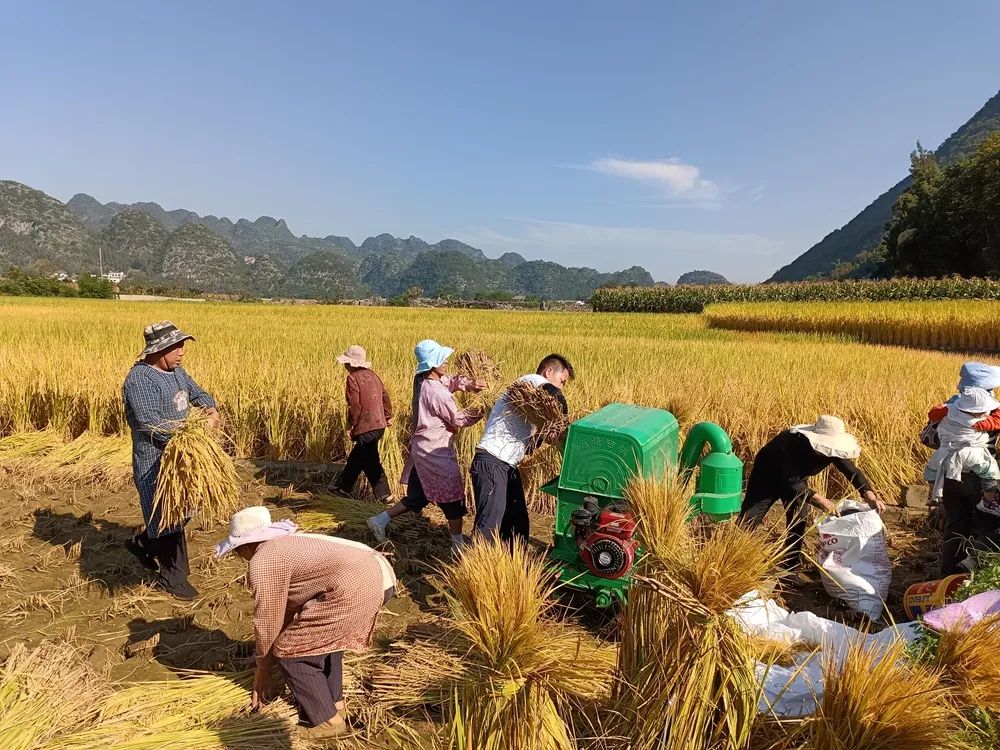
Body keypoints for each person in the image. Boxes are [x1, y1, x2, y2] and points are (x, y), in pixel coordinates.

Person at [216, 506, 396, 739]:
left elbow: (268, 619)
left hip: (357, 587)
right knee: (324, 639)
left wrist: (264, 668)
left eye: (237, 550)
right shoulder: (288, 544)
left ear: (246, 546)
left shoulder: (263, 560)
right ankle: (335, 703)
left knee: (292, 652)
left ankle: (329, 722)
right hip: (381, 577)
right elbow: (287, 611)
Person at [122, 321, 220, 599]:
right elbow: (151, 424)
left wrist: (209, 409)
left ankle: (143, 543)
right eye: (177, 346)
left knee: (187, 508)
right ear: (159, 349)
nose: (182, 352)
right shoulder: (140, 379)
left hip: (183, 459)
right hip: (156, 463)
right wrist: (193, 435)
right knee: (167, 517)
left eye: (182, 346)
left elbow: (198, 392)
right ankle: (173, 577)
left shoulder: (177, 372)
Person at [366, 339, 485, 552]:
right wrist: (480, 411)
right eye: (442, 359)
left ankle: (379, 520)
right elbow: (457, 419)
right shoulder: (436, 392)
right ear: (432, 364)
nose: (446, 362)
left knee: (418, 497)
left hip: (423, 450)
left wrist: (470, 384)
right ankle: (458, 546)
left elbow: (451, 381)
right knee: (453, 498)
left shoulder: (423, 379)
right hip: (434, 453)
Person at [739, 415, 885, 567]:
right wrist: (823, 501)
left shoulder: (832, 449)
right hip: (767, 478)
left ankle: (790, 565)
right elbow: (792, 483)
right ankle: (736, 559)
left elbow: (852, 472)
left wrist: (870, 496)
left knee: (799, 520)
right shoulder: (791, 444)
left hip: (797, 480)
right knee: (749, 518)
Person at [470, 354, 573, 544]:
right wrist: (563, 420)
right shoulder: (530, 381)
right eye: (562, 381)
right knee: (489, 524)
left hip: (507, 466)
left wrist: (547, 435)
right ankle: (472, 567)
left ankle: (512, 565)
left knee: (517, 523)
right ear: (548, 371)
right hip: (493, 460)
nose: (561, 387)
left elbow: (528, 447)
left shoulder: (530, 408)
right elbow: (554, 395)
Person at [924, 388, 1000, 575]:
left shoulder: (950, 412)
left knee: (956, 522)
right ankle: (974, 567)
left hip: (946, 467)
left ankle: (949, 573)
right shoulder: (980, 421)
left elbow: (933, 414)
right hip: (972, 467)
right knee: (987, 522)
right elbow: (997, 420)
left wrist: (949, 404)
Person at [332, 345, 393, 502]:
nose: (345, 366)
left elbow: (355, 404)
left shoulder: (352, 378)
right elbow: (385, 396)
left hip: (366, 426)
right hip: (379, 425)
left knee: (371, 460)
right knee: (358, 456)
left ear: (351, 364)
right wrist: (388, 415)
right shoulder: (373, 376)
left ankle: (385, 495)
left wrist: (351, 424)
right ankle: (343, 487)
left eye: (346, 363)